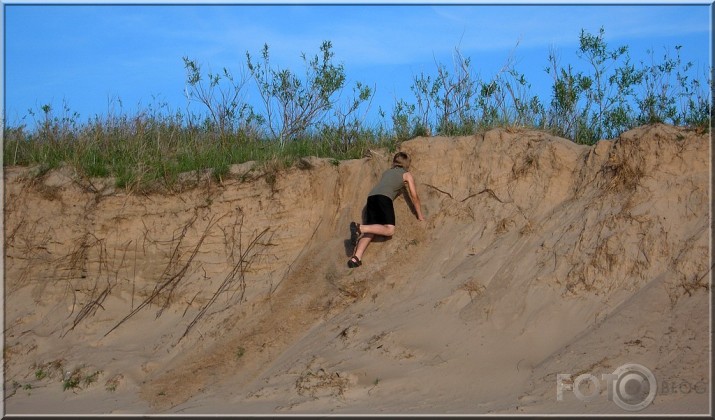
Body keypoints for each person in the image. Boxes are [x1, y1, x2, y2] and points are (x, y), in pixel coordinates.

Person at [348, 151, 425, 268]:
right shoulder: (406, 174)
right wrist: (420, 216)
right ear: (407, 164)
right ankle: (359, 227)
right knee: (390, 230)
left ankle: (356, 258)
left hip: (371, 198)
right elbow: (414, 196)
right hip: (384, 198)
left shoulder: (387, 172)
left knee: (371, 230)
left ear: (394, 162)